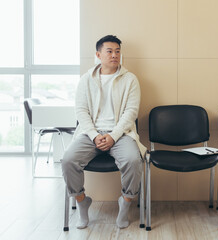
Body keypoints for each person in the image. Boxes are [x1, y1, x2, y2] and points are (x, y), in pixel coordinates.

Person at [61, 35, 146, 229]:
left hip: (121, 134)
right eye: (110, 51)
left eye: (117, 51)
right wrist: (94, 135)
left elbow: (131, 112)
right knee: (68, 160)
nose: (115, 55)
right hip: (89, 133)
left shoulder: (130, 79)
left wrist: (113, 136)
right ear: (98, 54)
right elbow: (80, 111)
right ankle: (82, 202)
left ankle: (125, 203)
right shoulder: (86, 79)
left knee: (134, 160)